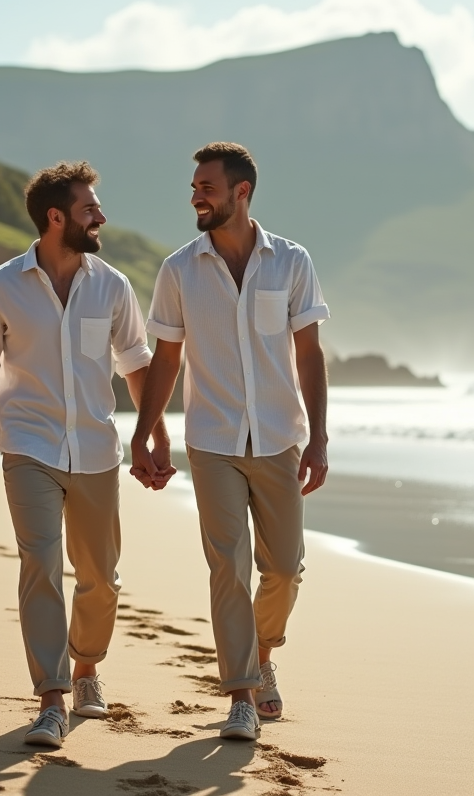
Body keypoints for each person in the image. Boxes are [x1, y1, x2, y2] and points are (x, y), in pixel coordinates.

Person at [0, 161, 173, 748]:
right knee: (41, 566)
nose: (101, 216)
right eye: (89, 208)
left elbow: (136, 364)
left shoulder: (113, 286)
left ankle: (86, 669)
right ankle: (50, 699)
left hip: (97, 449)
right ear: (56, 217)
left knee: (101, 577)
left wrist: (153, 434)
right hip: (28, 446)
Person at [130, 142, 330, 741]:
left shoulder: (291, 262)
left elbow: (309, 354)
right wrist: (144, 432)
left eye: (207, 187)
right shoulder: (179, 270)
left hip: (279, 438)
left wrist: (319, 437)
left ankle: (263, 655)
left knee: (285, 570)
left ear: (241, 193)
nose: (196, 196)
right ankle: (241, 693)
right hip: (212, 440)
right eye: (194, 187)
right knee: (228, 567)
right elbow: (166, 359)